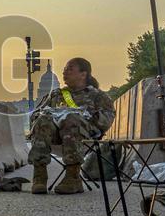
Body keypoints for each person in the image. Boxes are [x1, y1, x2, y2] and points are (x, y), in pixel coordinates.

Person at [28, 57, 115, 194]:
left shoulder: (97, 96)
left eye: (70, 69)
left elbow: (107, 119)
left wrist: (85, 117)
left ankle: (73, 177)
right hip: (54, 138)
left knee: (71, 119)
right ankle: (39, 176)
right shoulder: (56, 95)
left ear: (83, 74)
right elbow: (34, 115)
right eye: (64, 69)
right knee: (43, 119)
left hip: (84, 138)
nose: (65, 72)